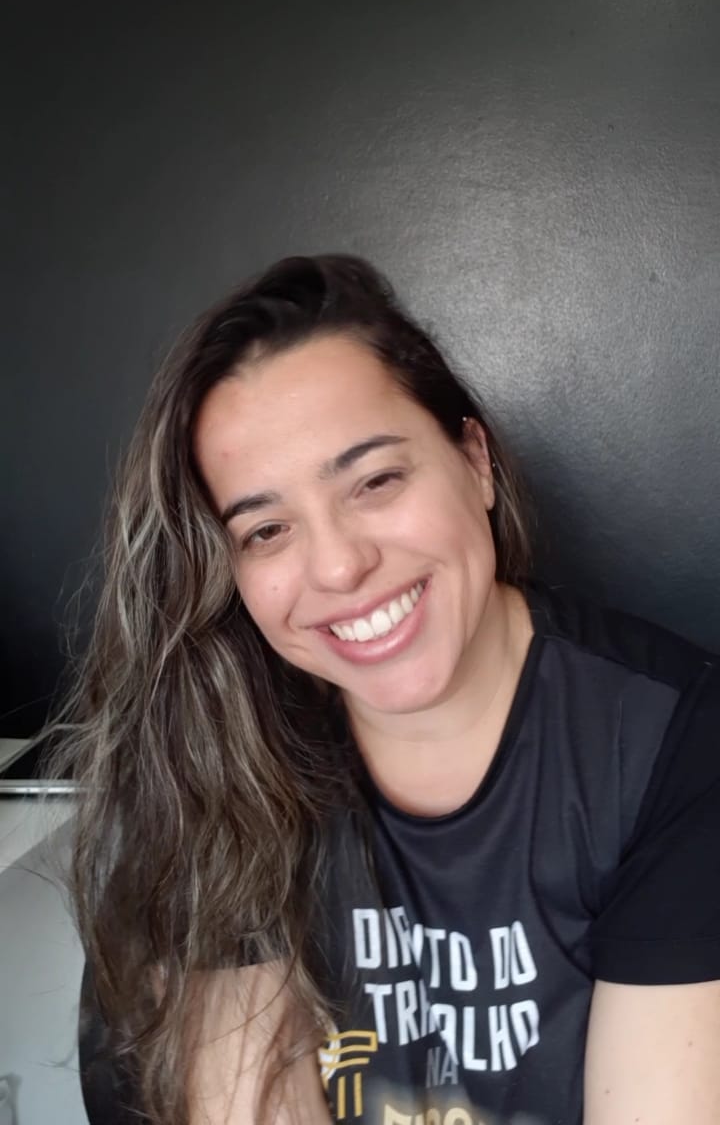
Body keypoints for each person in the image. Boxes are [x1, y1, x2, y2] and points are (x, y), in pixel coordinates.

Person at [54, 254, 720, 1125]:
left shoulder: (673, 740)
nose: (339, 566)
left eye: (375, 481)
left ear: (474, 461)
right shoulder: (215, 750)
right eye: (266, 530)